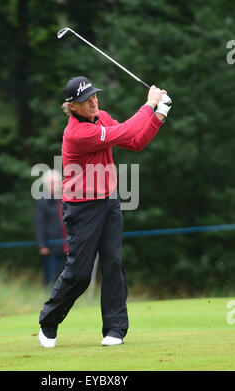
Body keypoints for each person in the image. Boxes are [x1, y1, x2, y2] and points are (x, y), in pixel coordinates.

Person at [38, 75, 172, 348]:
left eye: (94, 97)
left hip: (109, 201)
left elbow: (135, 141)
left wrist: (159, 114)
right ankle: (48, 320)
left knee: (113, 263)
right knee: (80, 273)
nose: (93, 103)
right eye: (86, 101)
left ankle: (114, 330)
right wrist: (149, 105)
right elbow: (123, 132)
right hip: (81, 206)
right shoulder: (76, 133)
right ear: (72, 106)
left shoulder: (102, 117)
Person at [34, 169, 67, 288]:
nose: (54, 186)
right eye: (51, 183)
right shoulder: (42, 202)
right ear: (46, 185)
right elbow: (39, 224)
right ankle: (48, 300)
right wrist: (42, 245)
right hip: (50, 247)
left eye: (56, 182)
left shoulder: (65, 199)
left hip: (66, 246)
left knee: (65, 277)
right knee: (51, 277)